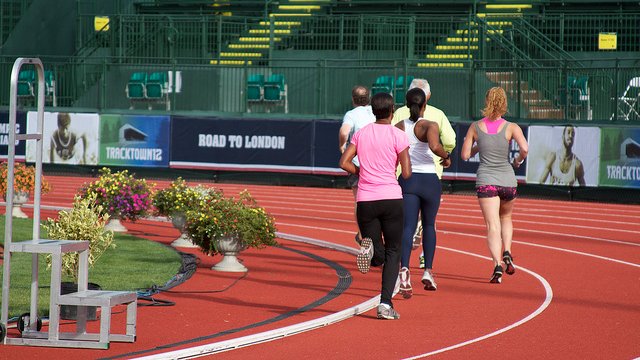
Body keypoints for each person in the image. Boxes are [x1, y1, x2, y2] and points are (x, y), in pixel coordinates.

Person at [339, 92, 411, 320]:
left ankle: (370, 251)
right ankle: (385, 305)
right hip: (390, 196)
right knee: (393, 251)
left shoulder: (361, 133)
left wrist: (361, 171)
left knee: (379, 254)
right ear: (392, 111)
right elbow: (407, 173)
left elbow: (343, 162)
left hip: (366, 199)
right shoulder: (398, 134)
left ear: (373, 111)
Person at [460, 87, 528, 284]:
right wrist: (518, 160)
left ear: (486, 101)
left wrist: (479, 145)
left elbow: (464, 156)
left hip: (487, 181)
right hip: (508, 180)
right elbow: (524, 148)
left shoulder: (475, 127)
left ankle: (497, 264)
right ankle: (507, 251)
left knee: (492, 225)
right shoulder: (511, 127)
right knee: (506, 217)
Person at [392, 78, 456, 269]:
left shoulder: (399, 123)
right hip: (430, 177)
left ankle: (404, 268)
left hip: (406, 177)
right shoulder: (433, 121)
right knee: (429, 225)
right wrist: (446, 157)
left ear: (406, 103)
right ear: (425, 103)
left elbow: (389, 145)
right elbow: (444, 143)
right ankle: (427, 269)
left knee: (407, 226)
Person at [338, 85, 376, 244]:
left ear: (353, 99)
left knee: (359, 200)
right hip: (377, 162)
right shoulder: (377, 111)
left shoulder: (351, 114)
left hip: (357, 163)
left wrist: (342, 145)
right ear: (369, 98)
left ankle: (362, 235)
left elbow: (344, 132)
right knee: (378, 198)